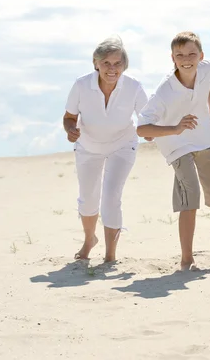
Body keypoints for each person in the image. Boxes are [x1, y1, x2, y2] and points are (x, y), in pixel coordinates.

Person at [136, 31, 210, 270]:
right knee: (191, 195)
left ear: (201, 56)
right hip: (175, 144)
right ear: (172, 58)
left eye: (192, 53)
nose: (186, 59)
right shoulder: (165, 91)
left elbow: (205, 85)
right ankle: (187, 258)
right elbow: (141, 128)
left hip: (204, 138)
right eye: (180, 55)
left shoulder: (207, 69)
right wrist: (175, 127)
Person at [63, 36, 149, 262]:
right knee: (88, 197)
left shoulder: (134, 86)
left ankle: (110, 255)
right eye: (106, 63)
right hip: (88, 146)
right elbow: (69, 117)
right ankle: (89, 239)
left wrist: (151, 132)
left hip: (122, 145)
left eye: (117, 63)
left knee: (111, 197)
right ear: (96, 63)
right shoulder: (82, 85)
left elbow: (147, 118)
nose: (112, 69)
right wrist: (70, 129)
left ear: (124, 65)